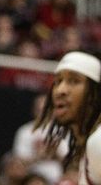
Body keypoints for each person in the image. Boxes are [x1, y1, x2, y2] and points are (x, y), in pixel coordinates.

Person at [36, 51, 101, 183]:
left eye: (74, 81)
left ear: (95, 94)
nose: (60, 90)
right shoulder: (91, 143)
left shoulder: (98, 141)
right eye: (58, 81)